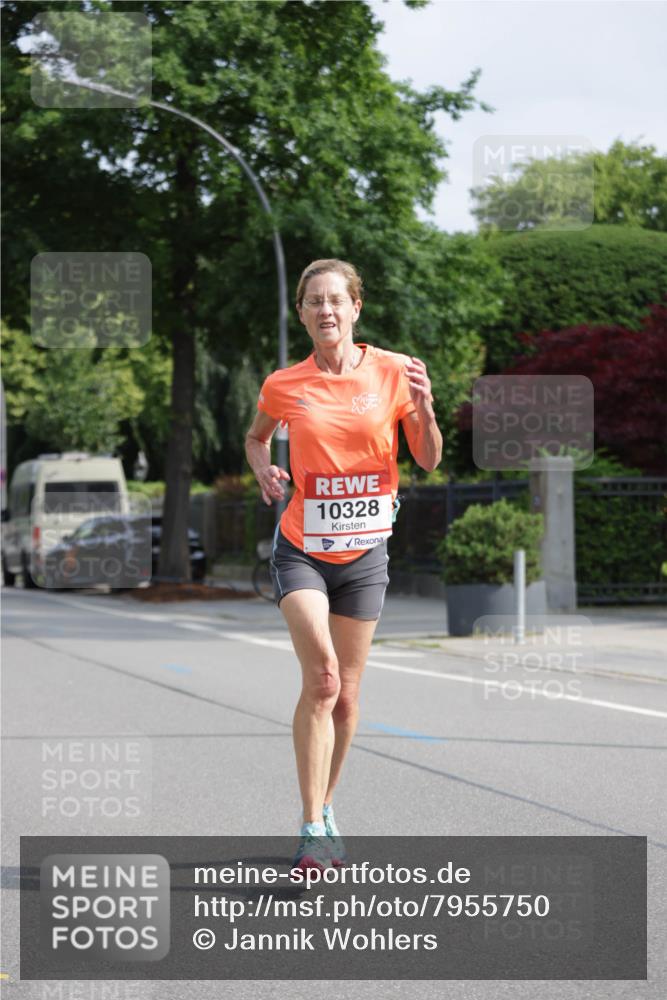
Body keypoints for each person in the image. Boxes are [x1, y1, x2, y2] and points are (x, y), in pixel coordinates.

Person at [245, 259, 442, 872]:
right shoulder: (284, 383)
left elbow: (429, 459)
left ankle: (327, 807)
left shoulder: (394, 372)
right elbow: (256, 438)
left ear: (356, 307)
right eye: (313, 302)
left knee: (349, 698)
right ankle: (310, 829)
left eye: (336, 300)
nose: (325, 311)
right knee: (324, 679)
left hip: (365, 554)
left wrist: (427, 407)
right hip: (302, 547)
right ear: (300, 313)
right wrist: (263, 469)